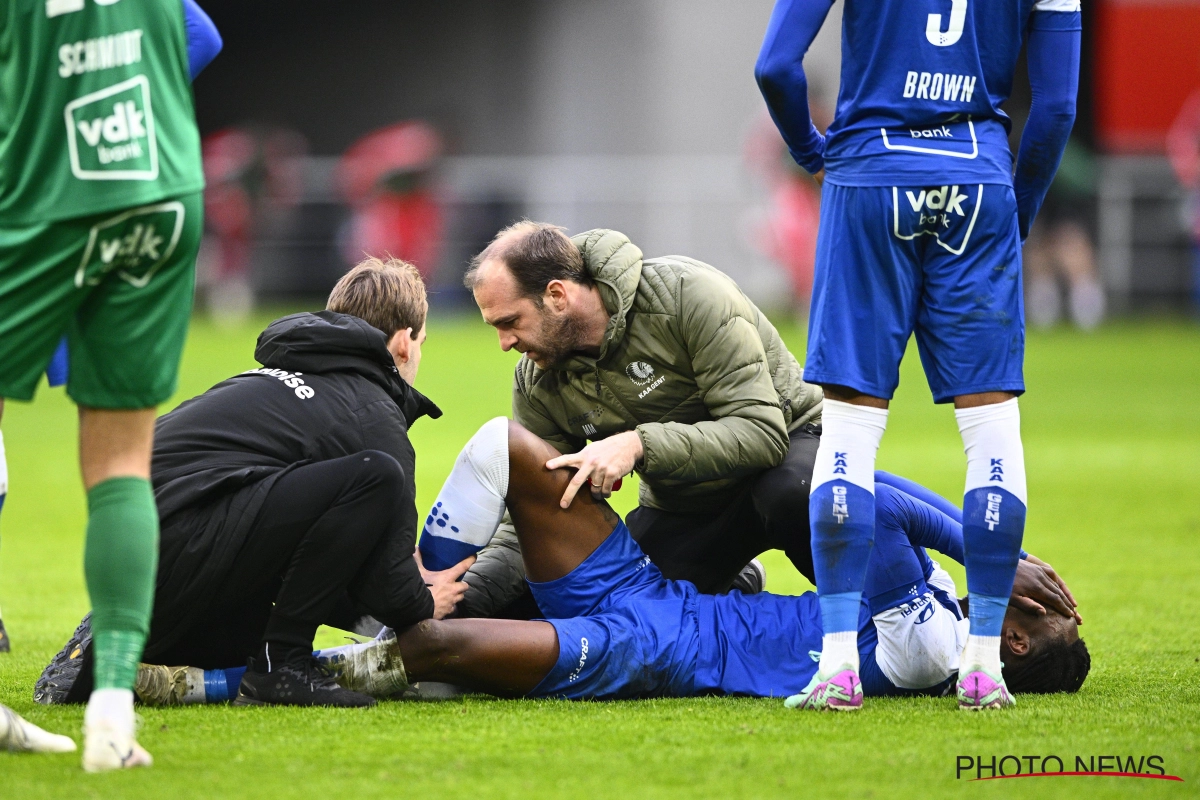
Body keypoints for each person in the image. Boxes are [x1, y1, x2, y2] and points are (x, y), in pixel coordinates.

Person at [121, 420, 1088, 707]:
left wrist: (989, 540)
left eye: (1043, 607)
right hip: (658, 596)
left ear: (1010, 637)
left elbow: (844, 489)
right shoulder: (943, 611)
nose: (1042, 590)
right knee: (509, 446)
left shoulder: (930, 645)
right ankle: (408, 585)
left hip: (653, 647)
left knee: (438, 645)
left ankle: (212, 683)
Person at [755, 0, 1081, 709]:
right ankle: (985, 667)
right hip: (978, 180)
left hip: (869, 177)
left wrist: (814, 153)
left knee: (847, 433)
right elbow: (1054, 108)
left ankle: (838, 666)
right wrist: (1016, 205)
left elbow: (776, 66)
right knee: (992, 433)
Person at [35, 257, 474, 710]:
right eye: (422, 342)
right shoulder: (370, 411)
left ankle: (144, 652)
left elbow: (308, 546)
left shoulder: (264, 383)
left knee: (309, 505)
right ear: (404, 343)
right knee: (377, 474)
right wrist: (423, 601)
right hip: (183, 558)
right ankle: (281, 666)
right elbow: (391, 590)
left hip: (132, 565)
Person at [0, 0, 221, 769]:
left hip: (44, 198)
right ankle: (112, 716)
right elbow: (203, 34)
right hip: (159, 197)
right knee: (121, 463)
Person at [431, 222, 823, 612]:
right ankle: (736, 581)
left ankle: (870, 627)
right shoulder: (538, 381)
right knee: (619, 612)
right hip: (685, 499)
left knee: (790, 493)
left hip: (792, 446)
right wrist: (456, 596)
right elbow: (539, 515)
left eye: (510, 322)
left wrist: (636, 444)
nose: (504, 344)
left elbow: (761, 434)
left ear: (556, 295)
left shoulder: (687, 295)